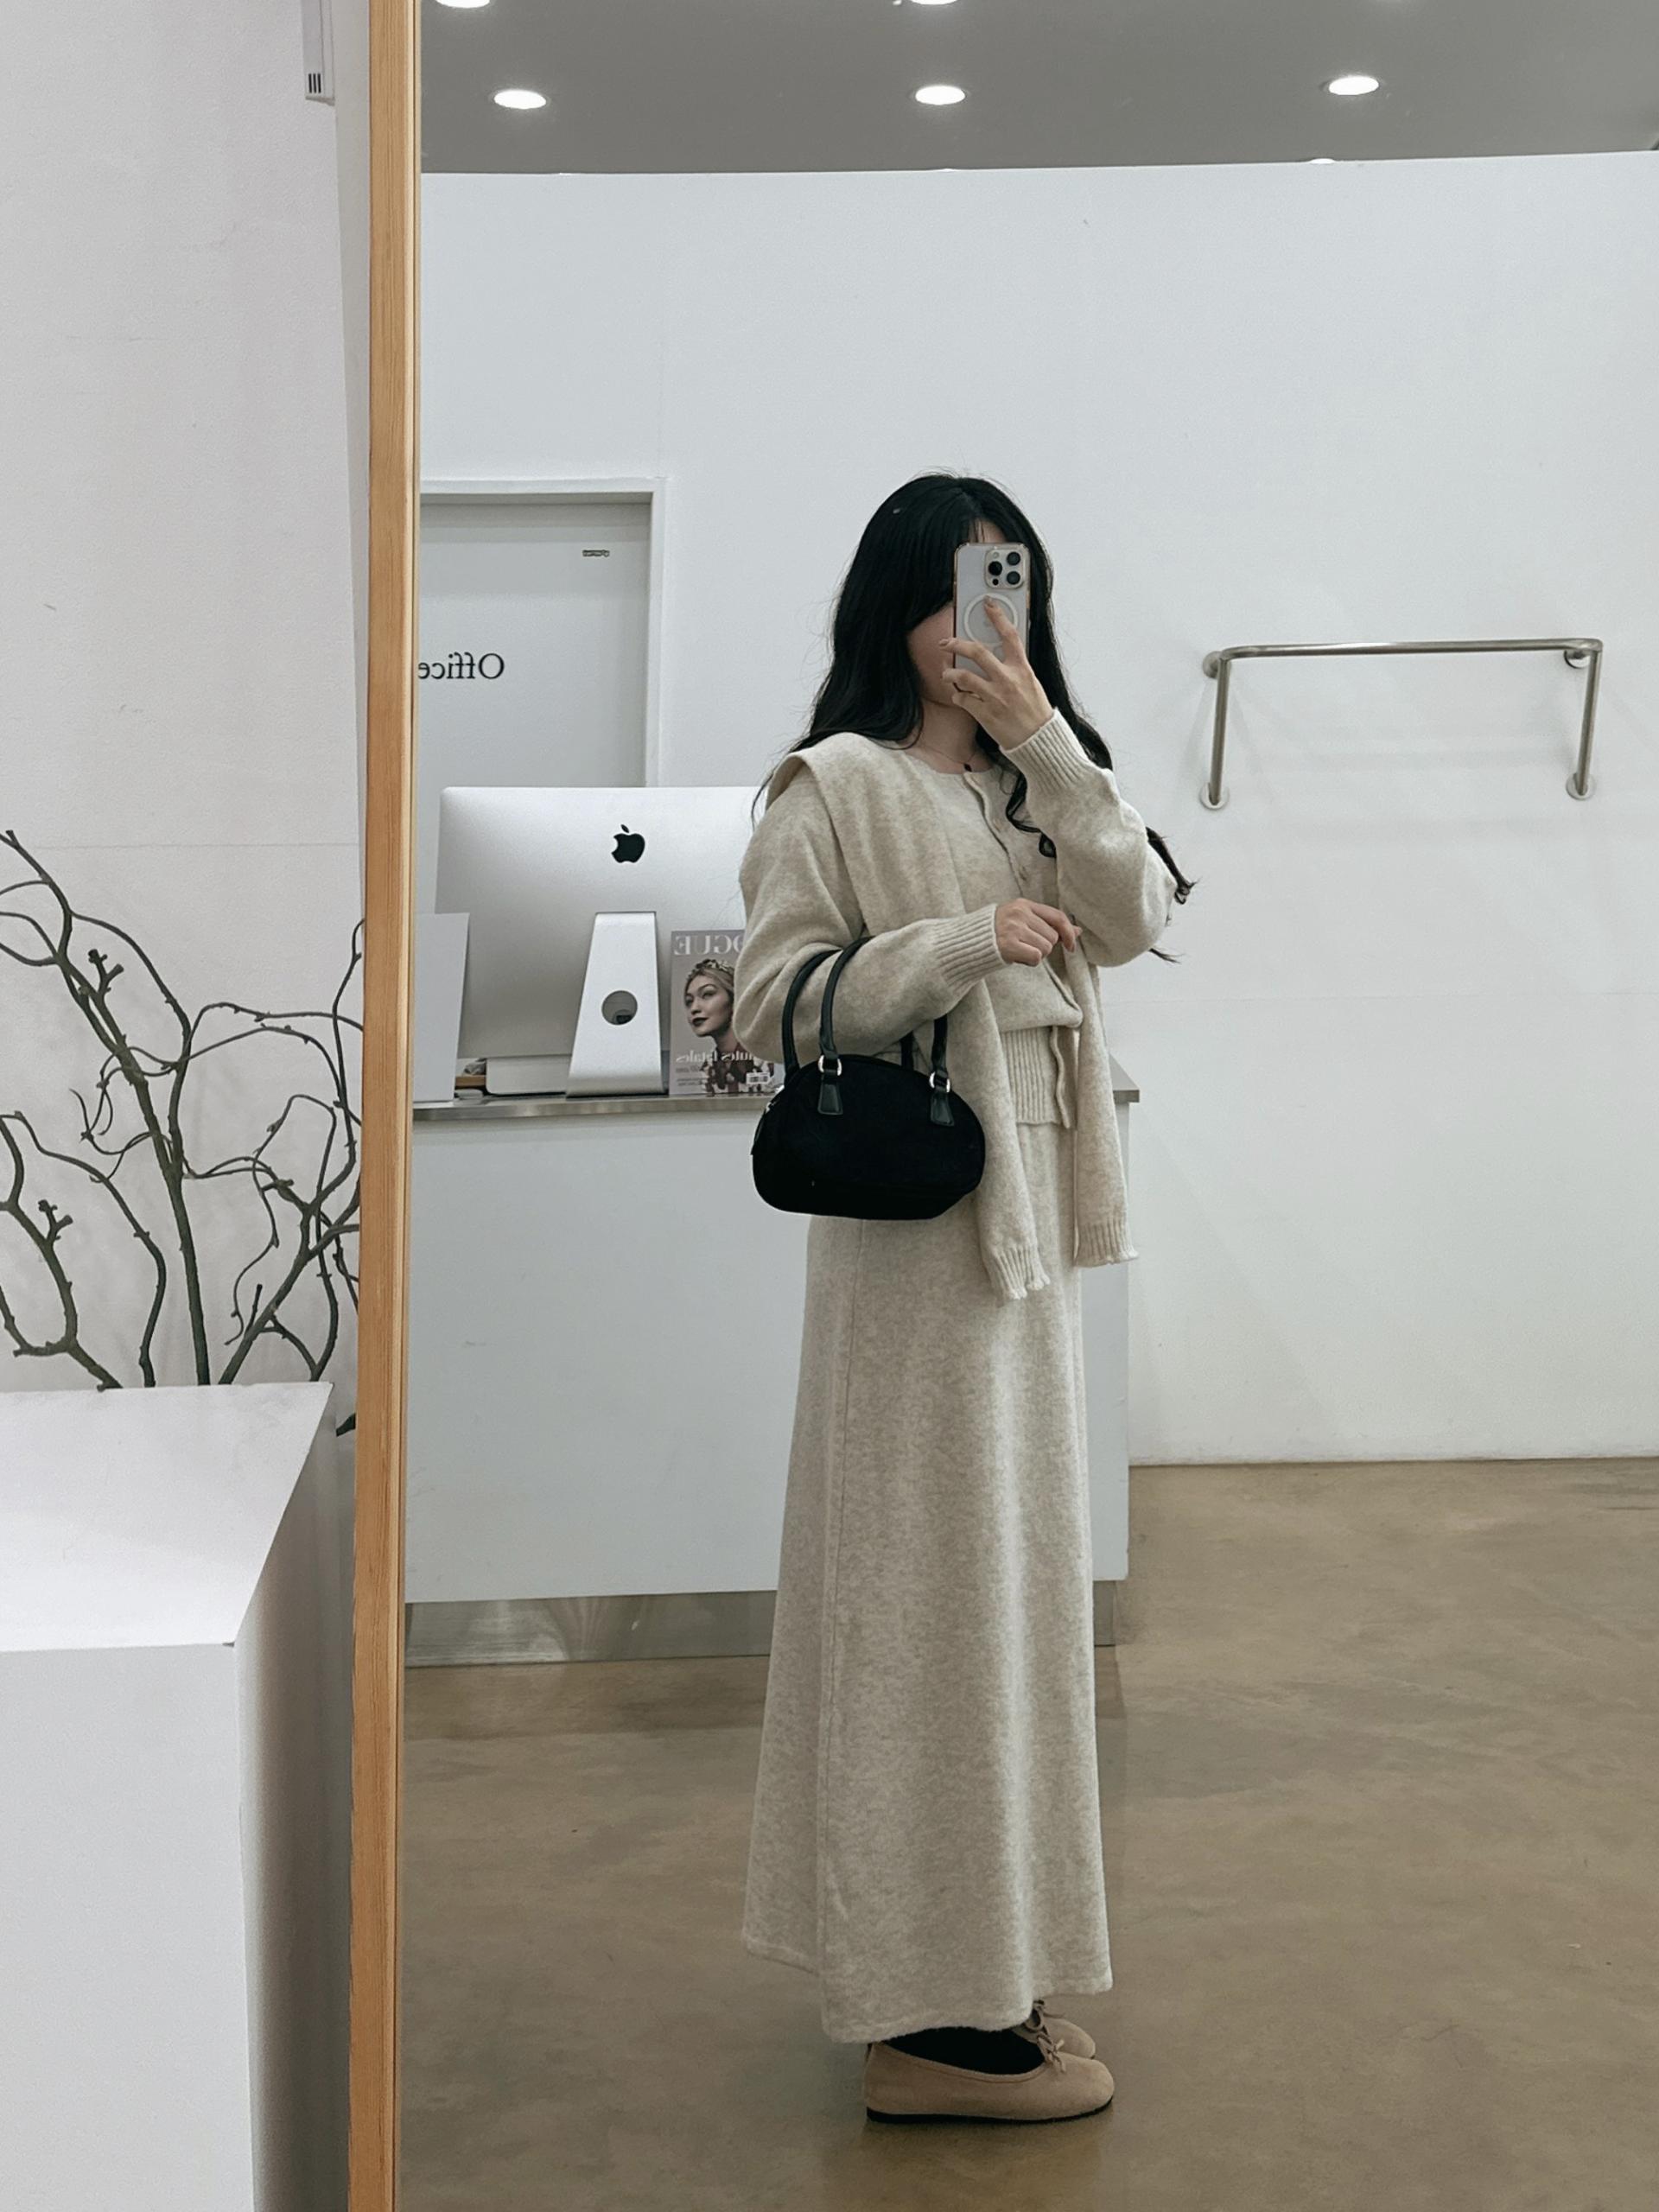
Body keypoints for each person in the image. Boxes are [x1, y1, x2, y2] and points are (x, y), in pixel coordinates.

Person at [730, 472, 1194, 2124]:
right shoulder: (834, 786)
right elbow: (771, 1004)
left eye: (1004, 590)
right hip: (917, 1251)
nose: (976, 626)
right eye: (948, 593)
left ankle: (986, 1970)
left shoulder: (1038, 780)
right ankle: (924, 2019)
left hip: (1026, 1250)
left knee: (1007, 1616)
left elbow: (1134, 917)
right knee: (921, 1611)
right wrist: (960, 944)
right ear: (893, 607)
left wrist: (1049, 744)